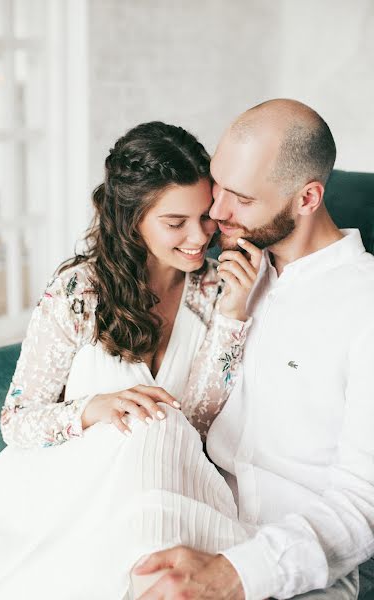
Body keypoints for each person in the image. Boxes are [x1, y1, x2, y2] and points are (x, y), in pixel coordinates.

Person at [0, 121, 258, 599]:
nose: (200, 236)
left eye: (207, 216)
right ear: (132, 219)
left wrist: (232, 316)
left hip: (168, 485)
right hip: (65, 494)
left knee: (162, 426)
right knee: (152, 427)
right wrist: (94, 409)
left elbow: (202, 425)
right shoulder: (79, 290)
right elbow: (15, 422)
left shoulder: (218, 286)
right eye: (175, 222)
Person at [132, 100, 374, 599]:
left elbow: (363, 502)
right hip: (183, 512)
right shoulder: (218, 273)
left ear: (307, 198)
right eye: (218, 185)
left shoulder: (364, 304)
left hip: (292, 559)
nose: (215, 213)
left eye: (240, 198)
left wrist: (234, 574)